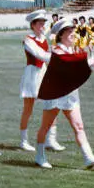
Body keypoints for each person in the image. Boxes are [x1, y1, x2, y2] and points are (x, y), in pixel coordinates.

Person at [34, 18, 94, 169]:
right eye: (69, 31)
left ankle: (88, 157)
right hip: (55, 94)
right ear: (61, 35)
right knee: (45, 127)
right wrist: (90, 63)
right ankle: (40, 156)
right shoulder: (56, 51)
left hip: (70, 95)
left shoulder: (73, 51)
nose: (73, 34)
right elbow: (70, 62)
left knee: (79, 126)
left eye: (73, 31)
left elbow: (80, 61)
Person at [19, 10, 65, 152]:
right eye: (39, 23)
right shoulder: (28, 40)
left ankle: (51, 140)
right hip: (32, 75)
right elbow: (39, 54)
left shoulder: (43, 38)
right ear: (32, 25)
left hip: (43, 73)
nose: (42, 26)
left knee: (52, 104)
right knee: (28, 109)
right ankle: (24, 141)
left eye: (43, 23)